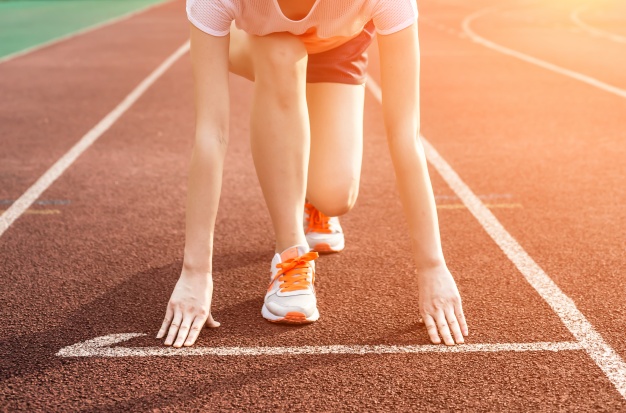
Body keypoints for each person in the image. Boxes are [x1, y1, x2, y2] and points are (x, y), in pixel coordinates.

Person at [157, 0, 469, 348]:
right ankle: (290, 253)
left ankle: (310, 198)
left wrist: (432, 266)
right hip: (261, 42)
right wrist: (195, 272)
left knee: (335, 196)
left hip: (337, 46)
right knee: (282, 54)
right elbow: (211, 134)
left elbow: (405, 134)